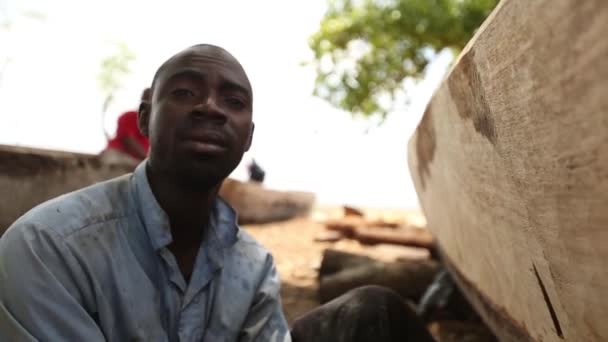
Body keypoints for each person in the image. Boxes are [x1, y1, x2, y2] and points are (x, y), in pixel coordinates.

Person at [0, 44, 434, 341]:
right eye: (185, 91)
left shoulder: (251, 265)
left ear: (248, 139)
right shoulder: (48, 249)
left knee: (373, 313)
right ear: (145, 117)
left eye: (234, 101)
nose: (210, 106)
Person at [99, 89, 151, 167]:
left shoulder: (158, 125)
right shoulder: (129, 116)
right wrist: (147, 159)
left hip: (139, 162)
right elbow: (128, 140)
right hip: (119, 155)